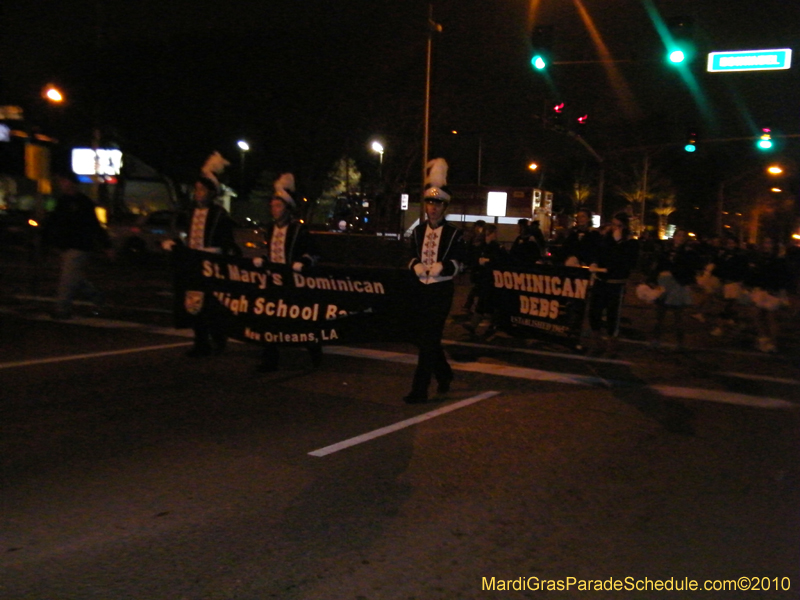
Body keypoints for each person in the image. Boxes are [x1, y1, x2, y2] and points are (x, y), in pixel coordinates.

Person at [404, 158, 466, 403]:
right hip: (421, 290)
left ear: (444, 206)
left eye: (438, 203)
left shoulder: (454, 233)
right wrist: (415, 265)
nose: (433, 208)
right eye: (430, 202)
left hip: (441, 291)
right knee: (424, 339)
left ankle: (419, 390)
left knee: (429, 339)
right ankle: (444, 373)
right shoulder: (418, 231)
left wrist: (445, 266)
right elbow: (409, 256)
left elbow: (463, 261)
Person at [164, 171, 242, 357]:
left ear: (211, 193)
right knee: (194, 302)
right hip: (193, 266)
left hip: (212, 267)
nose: (198, 193)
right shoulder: (189, 213)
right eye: (196, 189)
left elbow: (228, 242)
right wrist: (175, 244)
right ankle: (201, 342)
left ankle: (218, 338)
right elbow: (184, 236)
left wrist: (216, 250)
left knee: (212, 304)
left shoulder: (219, 214)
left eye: (202, 189)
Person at [253, 173, 322, 372]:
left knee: (300, 320)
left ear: (287, 208)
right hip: (274, 282)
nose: (274, 210)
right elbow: (272, 253)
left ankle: (314, 353)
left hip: (293, 283)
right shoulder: (270, 229)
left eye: (278, 206)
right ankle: (270, 359)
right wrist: (264, 260)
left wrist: (303, 262)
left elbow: (314, 252)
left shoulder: (298, 230)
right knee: (269, 320)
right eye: (273, 206)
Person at [41, 171, 113, 319]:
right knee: (73, 278)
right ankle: (96, 295)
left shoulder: (83, 202)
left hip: (80, 246)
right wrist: (46, 239)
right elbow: (53, 222)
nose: (61, 184)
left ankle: (62, 310)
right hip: (66, 246)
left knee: (66, 280)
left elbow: (94, 225)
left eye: (63, 181)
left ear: (71, 183)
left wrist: (106, 245)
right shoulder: (63, 201)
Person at [586, 212, 639, 356]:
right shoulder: (606, 239)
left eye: (619, 226)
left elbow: (627, 262)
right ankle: (597, 341)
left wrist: (617, 243)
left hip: (616, 283)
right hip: (601, 281)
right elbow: (598, 253)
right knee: (594, 312)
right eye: (613, 225)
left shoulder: (631, 243)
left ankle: (611, 344)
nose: (615, 228)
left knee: (612, 315)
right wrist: (594, 263)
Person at [649, 229, 703, 350]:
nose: (680, 238)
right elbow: (658, 266)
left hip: (678, 284)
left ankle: (680, 343)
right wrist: (653, 279)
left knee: (678, 315)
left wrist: (674, 273)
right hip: (664, 283)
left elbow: (689, 268)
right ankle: (656, 340)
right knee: (660, 314)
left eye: (682, 236)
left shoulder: (688, 253)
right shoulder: (666, 251)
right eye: (678, 235)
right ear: (674, 237)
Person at [744, 237, 791, 353]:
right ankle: (763, 338)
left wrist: (779, 290)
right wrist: (751, 284)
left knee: (771, 318)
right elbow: (758, 274)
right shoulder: (762, 258)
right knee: (756, 314)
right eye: (765, 243)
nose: (767, 245)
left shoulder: (779, 259)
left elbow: (784, 276)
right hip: (762, 289)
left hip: (773, 291)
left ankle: (772, 343)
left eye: (769, 243)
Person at [462, 223, 507, 338]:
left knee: (489, 302)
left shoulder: (496, 247)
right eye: (494, 232)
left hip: (493, 279)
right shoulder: (481, 247)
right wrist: (478, 261)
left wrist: (489, 261)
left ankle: (485, 325)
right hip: (484, 278)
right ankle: (478, 325)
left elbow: (503, 261)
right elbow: (471, 259)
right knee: (484, 301)